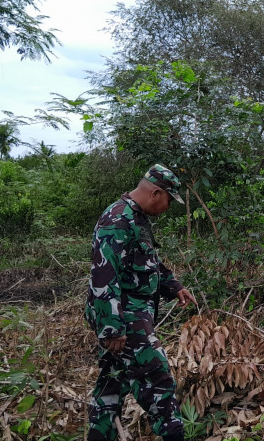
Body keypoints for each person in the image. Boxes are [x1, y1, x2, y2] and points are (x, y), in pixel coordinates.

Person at [84, 164, 196, 441]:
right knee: (158, 380)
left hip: (128, 316)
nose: (167, 208)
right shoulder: (117, 220)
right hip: (124, 318)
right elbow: (103, 274)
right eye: (168, 200)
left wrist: (174, 286)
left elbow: (148, 262)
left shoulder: (136, 218)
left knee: (111, 385)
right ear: (155, 193)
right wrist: (113, 328)